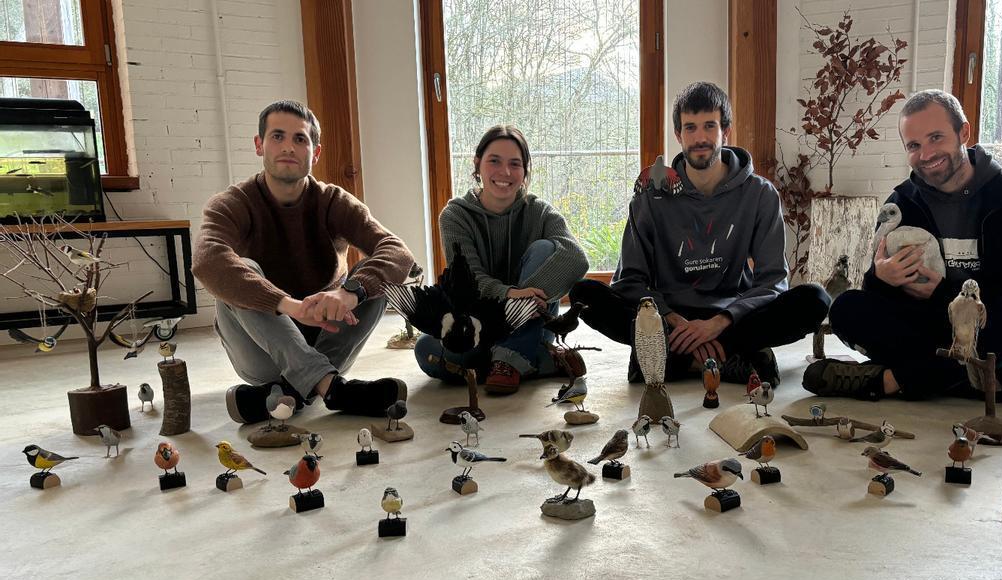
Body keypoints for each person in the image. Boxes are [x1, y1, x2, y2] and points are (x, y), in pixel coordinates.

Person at [803, 89, 1002, 408]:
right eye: (914, 146)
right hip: (924, 329)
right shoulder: (900, 205)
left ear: (964, 133)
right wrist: (880, 278)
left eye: (935, 138)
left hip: (987, 327)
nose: (926, 154)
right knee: (846, 308)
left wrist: (945, 294)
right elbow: (878, 295)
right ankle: (993, 379)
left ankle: (894, 380)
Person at [571, 81, 830, 385]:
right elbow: (630, 280)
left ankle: (671, 359)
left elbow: (773, 281)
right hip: (670, 318)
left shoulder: (760, 195)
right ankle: (732, 358)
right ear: (678, 135)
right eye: (690, 128)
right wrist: (675, 322)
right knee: (584, 295)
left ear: (725, 131)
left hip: (732, 316)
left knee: (815, 299)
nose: (700, 137)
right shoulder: (650, 198)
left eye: (709, 125)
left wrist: (718, 324)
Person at [193, 100, 415, 424]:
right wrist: (287, 305)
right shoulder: (233, 203)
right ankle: (330, 387)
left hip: (326, 340)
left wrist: (349, 293)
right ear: (259, 145)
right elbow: (206, 259)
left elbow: (397, 251)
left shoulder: (332, 201)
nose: (288, 147)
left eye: (300, 139)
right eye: (277, 136)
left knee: (374, 281)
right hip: (261, 348)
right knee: (239, 273)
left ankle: (279, 397)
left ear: (316, 152)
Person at [414, 124, 589, 395]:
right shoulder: (455, 216)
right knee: (426, 349)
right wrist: (511, 296)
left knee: (545, 248)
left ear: (525, 170)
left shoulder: (539, 212)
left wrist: (524, 303)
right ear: (478, 164)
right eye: (494, 161)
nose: (505, 172)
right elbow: (470, 281)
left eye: (515, 164)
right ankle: (532, 358)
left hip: (533, 322)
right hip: (481, 324)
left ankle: (510, 359)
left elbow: (577, 259)